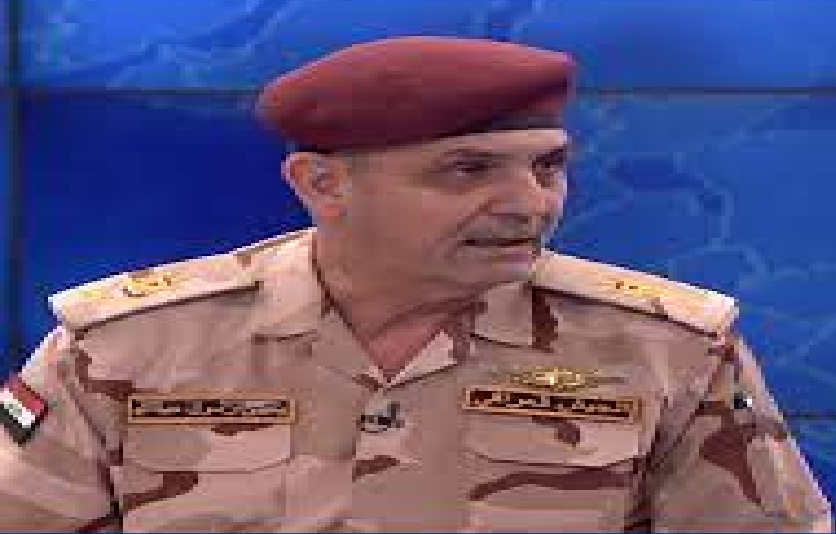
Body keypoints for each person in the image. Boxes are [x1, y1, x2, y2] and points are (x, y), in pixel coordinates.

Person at [0, 36, 831, 532]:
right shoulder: (125, 346)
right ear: (322, 184)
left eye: (547, 167)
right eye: (468, 170)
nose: (528, 203)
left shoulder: (670, 350)